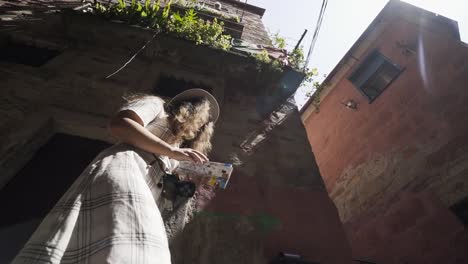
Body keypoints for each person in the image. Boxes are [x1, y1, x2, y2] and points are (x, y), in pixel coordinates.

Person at [11, 88, 220, 264]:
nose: (205, 125)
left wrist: (193, 175)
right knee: (143, 243)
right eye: (205, 116)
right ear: (193, 106)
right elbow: (120, 125)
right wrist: (172, 152)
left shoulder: (179, 145)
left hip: (148, 188)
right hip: (125, 167)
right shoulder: (157, 106)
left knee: (122, 240)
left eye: (207, 124)